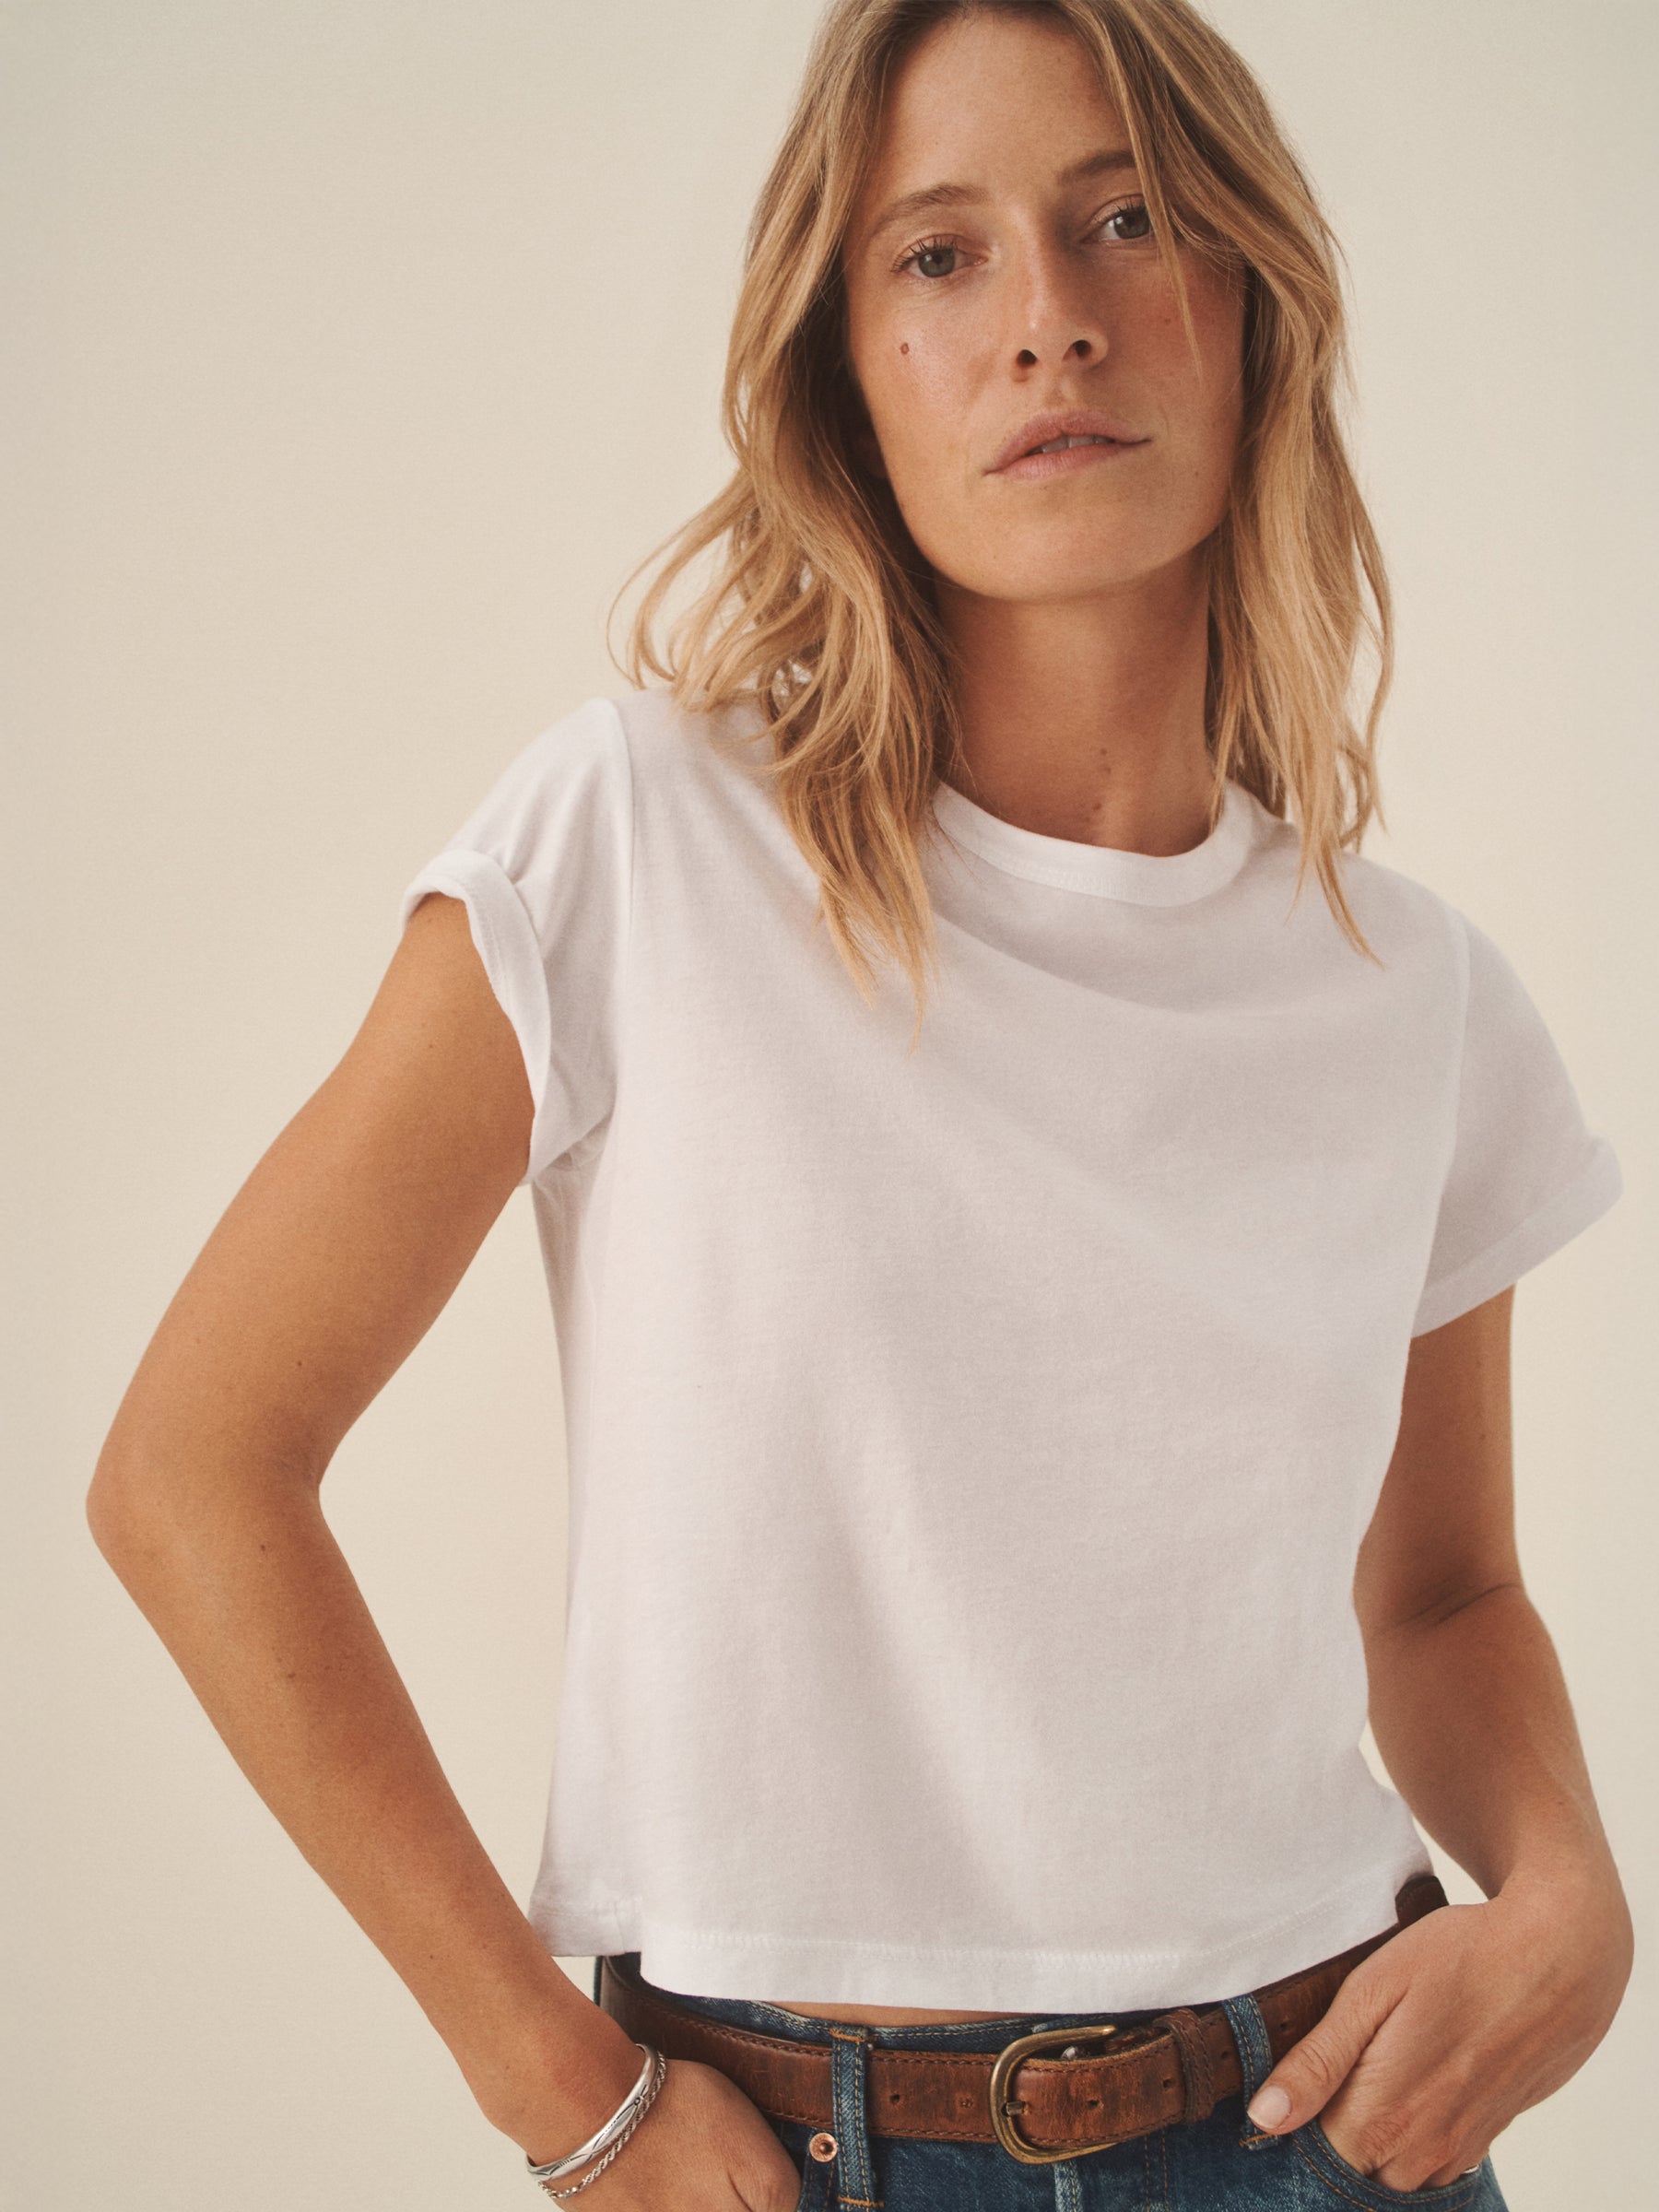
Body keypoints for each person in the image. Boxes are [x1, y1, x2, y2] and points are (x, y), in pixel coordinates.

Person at [86, 1, 1633, 2206]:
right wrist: (565, 2097)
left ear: (1257, 301)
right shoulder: (638, 846)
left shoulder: (1417, 997)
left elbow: (1449, 1596)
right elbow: (193, 1474)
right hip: (793, 2150)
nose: (1049, 321)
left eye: (1127, 219)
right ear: (848, 367)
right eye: (940, 254)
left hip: (1334, 2123)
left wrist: (1570, 1894)